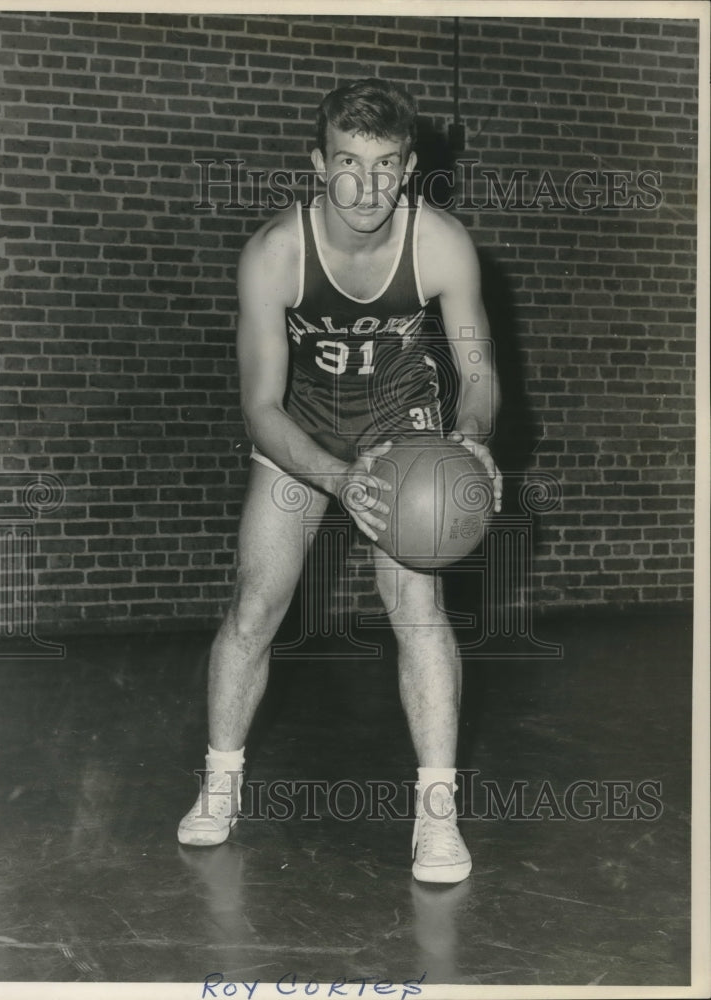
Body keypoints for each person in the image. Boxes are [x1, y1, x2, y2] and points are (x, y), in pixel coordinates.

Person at [178, 79, 502, 883]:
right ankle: (219, 784)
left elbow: (477, 369)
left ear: (409, 167)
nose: (367, 187)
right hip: (303, 438)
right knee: (255, 606)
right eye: (349, 164)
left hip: (403, 433)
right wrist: (332, 476)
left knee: (418, 610)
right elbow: (258, 407)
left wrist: (469, 437)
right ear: (318, 165)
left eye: (387, 166)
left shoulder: (442, 243)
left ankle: (436, 816)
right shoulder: (273, 254)